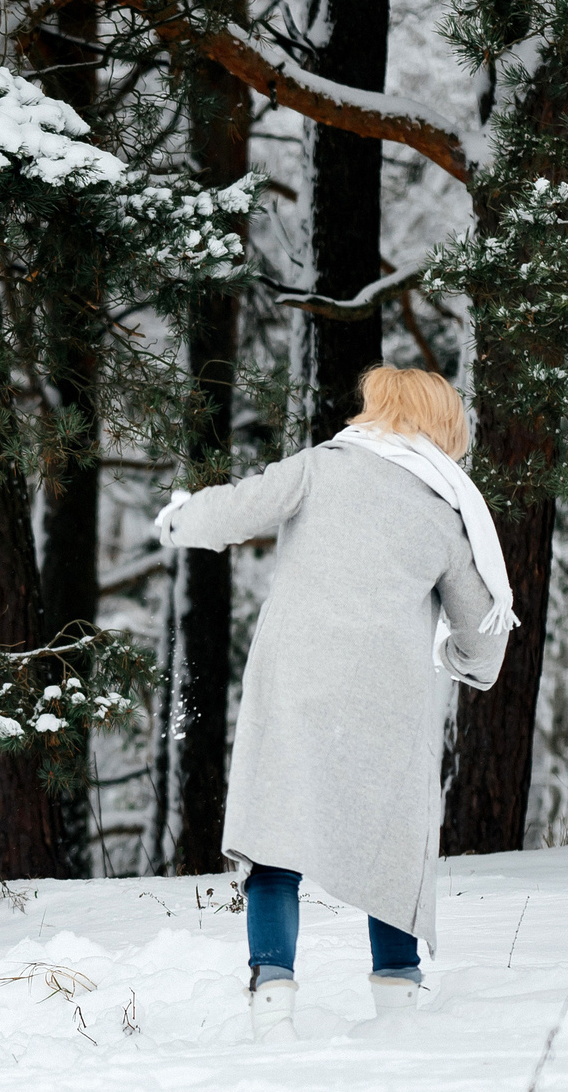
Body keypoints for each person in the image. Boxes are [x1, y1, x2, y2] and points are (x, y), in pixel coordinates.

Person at [156, 367, 516, 1040]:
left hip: (295, 679)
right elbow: (485, 644)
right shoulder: (446, 512)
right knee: (393, 843)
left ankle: (273, 1002)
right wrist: (452, 656)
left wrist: (178, 520)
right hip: (391, 696)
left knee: (276, 835)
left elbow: (235, 509)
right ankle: (398, 1010)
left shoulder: (321, 466)